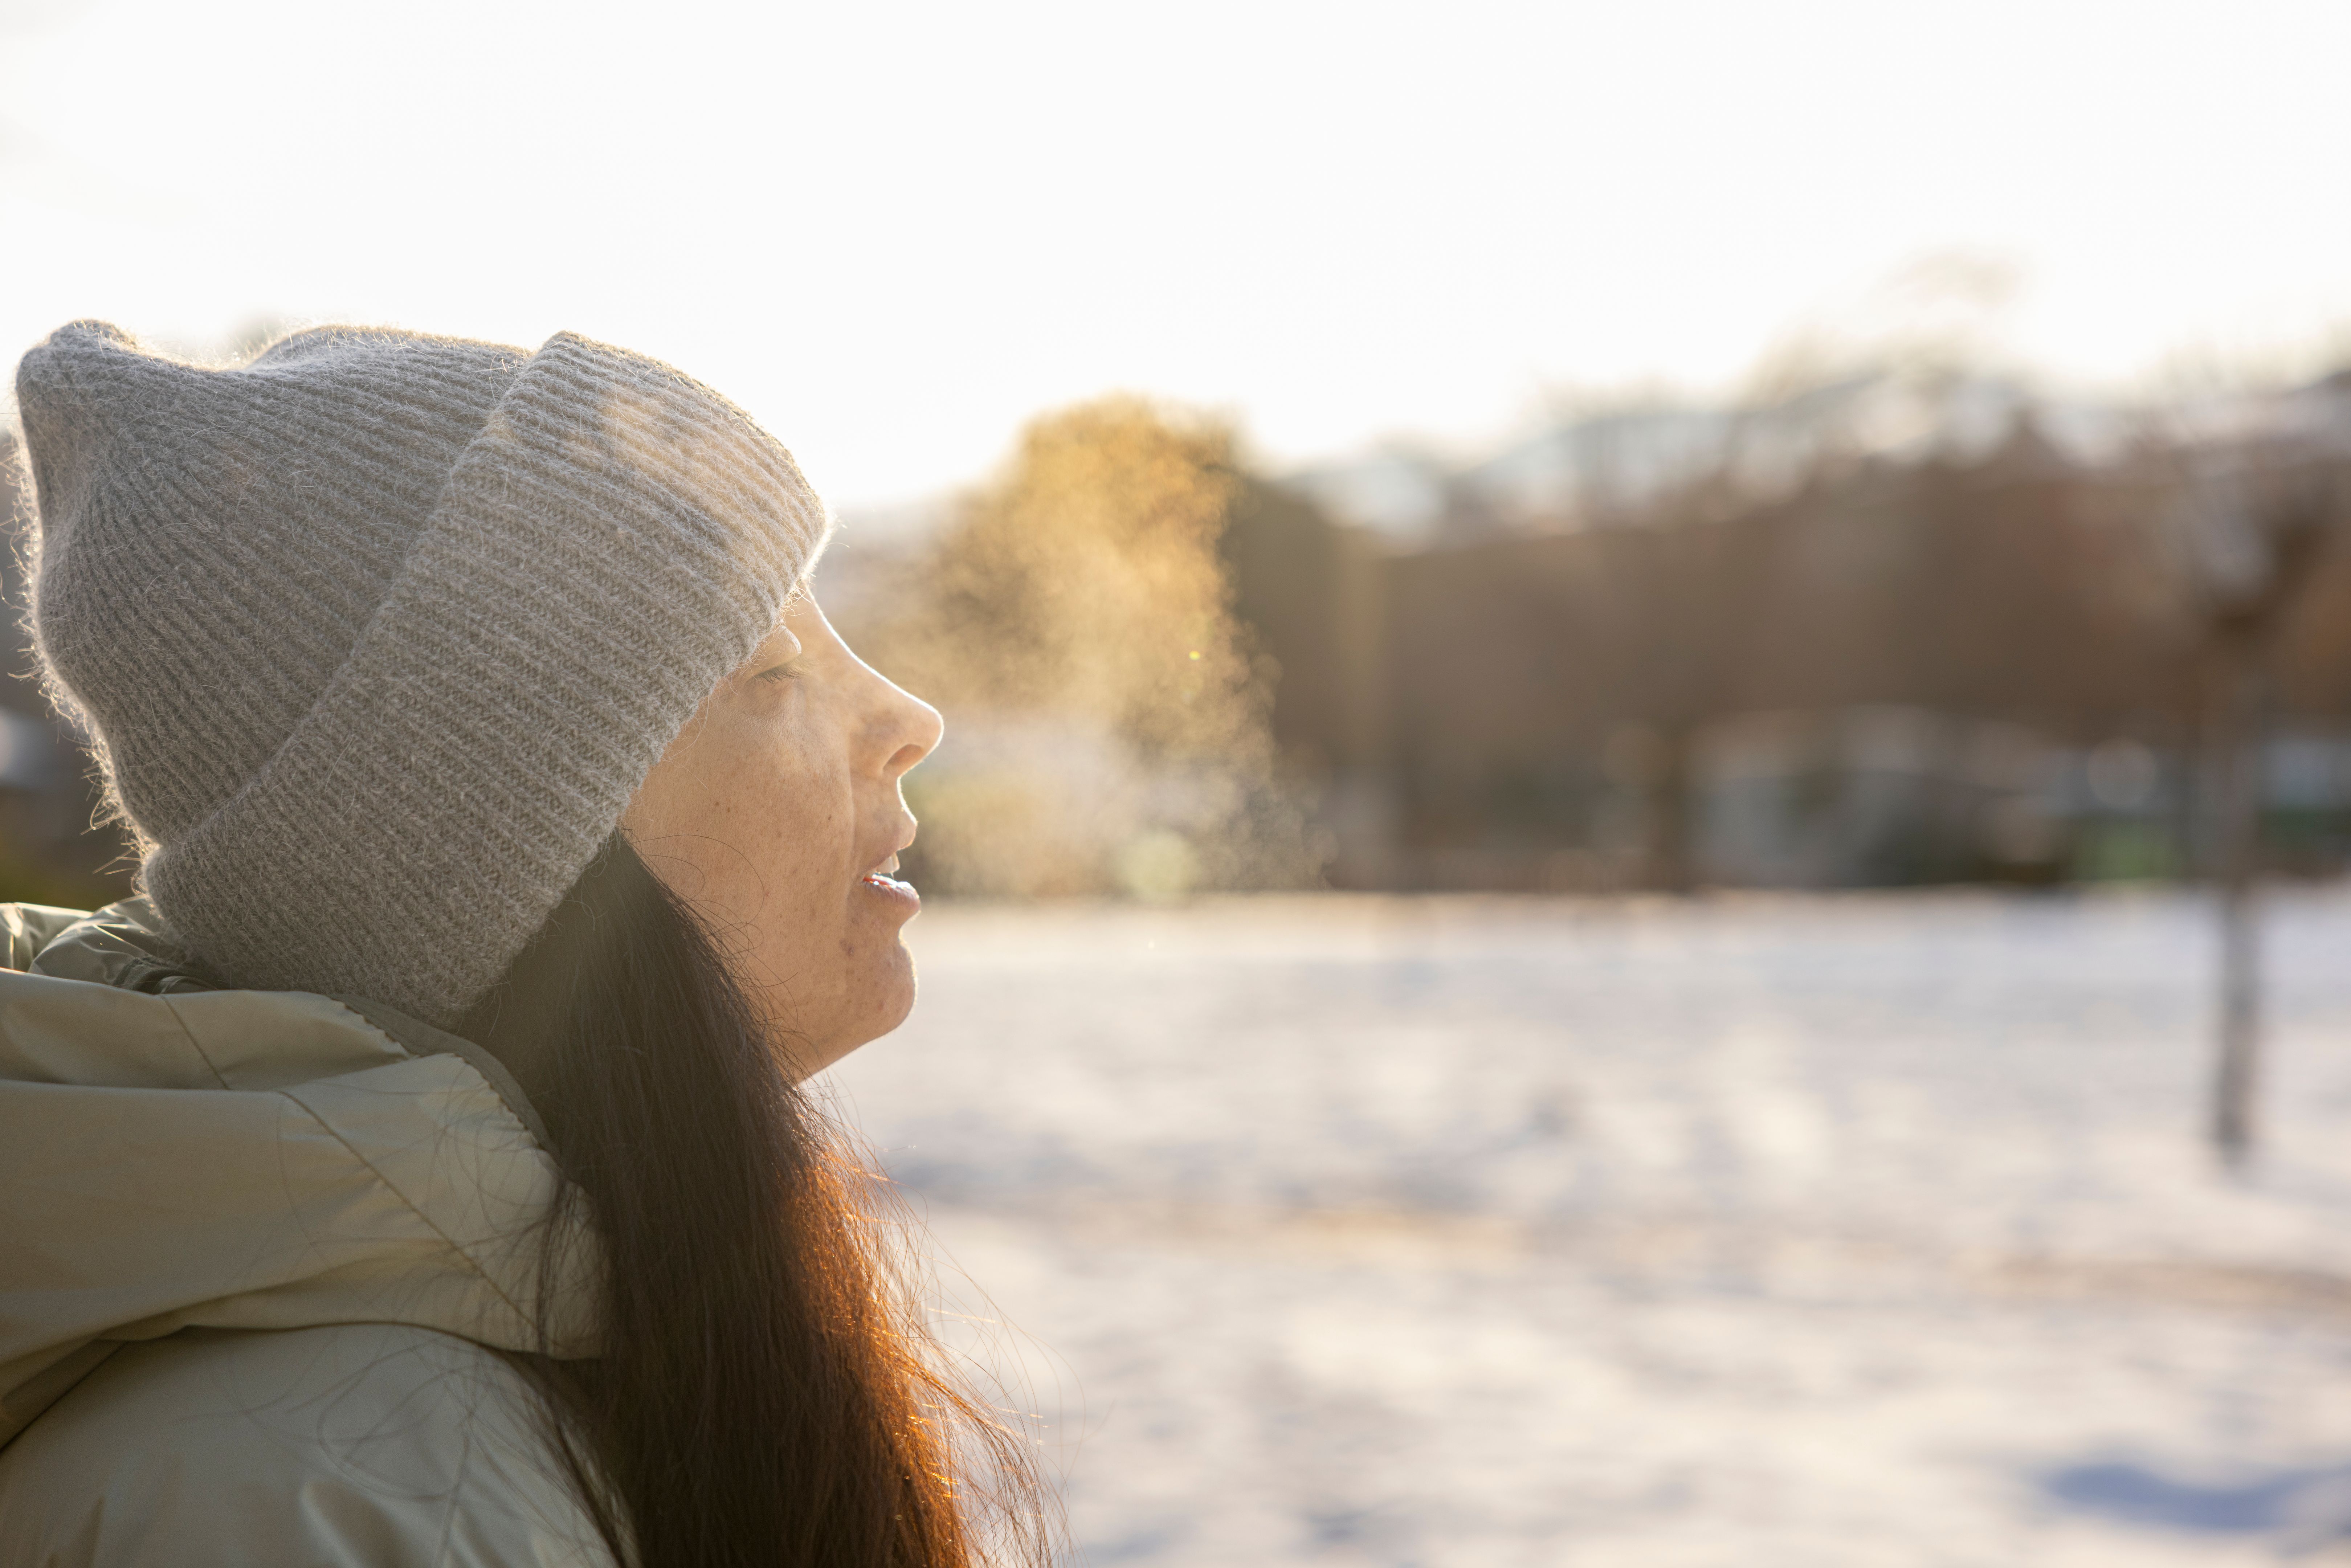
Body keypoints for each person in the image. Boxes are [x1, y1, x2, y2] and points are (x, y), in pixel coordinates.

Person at [0, 322, 1052, 1567]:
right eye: (771, 670)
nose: (907, 714)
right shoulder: (338, 1504)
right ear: (503, 860)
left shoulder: (539, 1346)